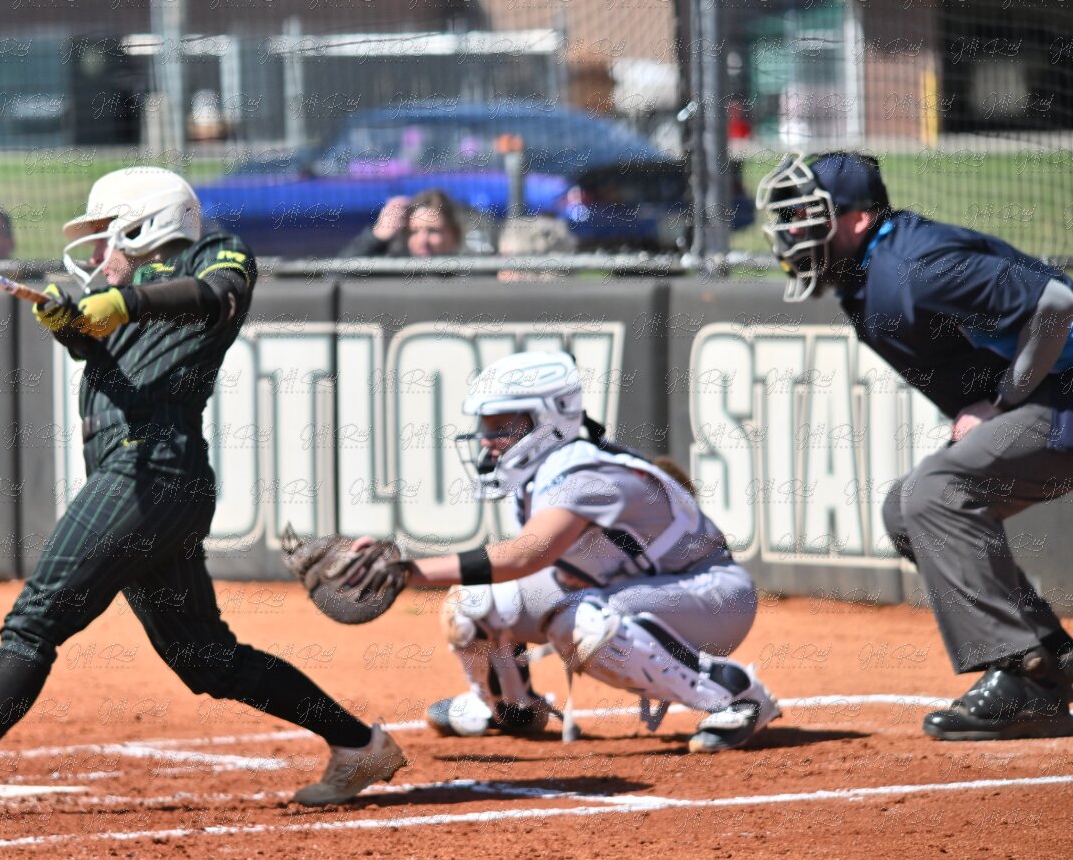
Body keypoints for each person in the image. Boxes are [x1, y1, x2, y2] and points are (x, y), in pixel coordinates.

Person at [0, 166, 405, 817]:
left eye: (106, 236)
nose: (97, 253)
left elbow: (217, 293)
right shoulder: (117, 293)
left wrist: (125, 303)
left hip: (149, 469)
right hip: (148, 483)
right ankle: (359, 744)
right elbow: (107, 359)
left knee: (36, 618)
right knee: (205, 657)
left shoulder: (213, 254)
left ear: (146, 228)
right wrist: (71, 324)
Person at [756, 151, 1073, 741]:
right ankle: (1048, 661)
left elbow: (1055, 302)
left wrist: (1004, 400)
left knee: (937, 491)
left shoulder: (916, 267)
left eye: (806, 217)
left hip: (1062, 395)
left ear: (857, 219)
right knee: (906, 509)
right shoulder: (867, 277)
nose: (792, 234)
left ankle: (1015, 673)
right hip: (1052, 400)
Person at [357, 349, 779, 752]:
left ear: (549, 418)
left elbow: (524, 556)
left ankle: (737, 696)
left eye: (502, 424)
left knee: (584, 622)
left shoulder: (583, 471)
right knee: (474, 599)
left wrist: (405, 570)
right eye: (486, 424)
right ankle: (510, 708)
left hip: (714, 597)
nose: (487, 440)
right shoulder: (541, 472)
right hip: (637, 589)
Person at [339, 189, 464, 257]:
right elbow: (338, 276)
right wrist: (377, 237)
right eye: (414, 232)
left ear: (455, 234)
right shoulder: (395, 274)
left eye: (432, 231)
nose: (422, 240)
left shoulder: (467, 275)